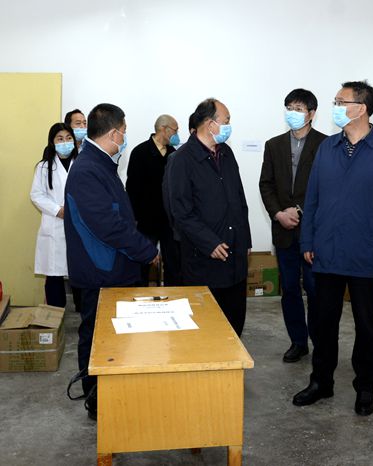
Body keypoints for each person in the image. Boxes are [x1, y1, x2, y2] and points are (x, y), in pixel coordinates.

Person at [292, 81, 373, 416]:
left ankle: (365, 386)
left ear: (361, 108)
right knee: (323, 323)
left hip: (365, 253)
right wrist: (307, 240)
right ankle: (321, 381)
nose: (335, 106)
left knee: (365, 325)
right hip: (326, 252)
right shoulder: (327, 148)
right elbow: (312, 199)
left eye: (340, 101)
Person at [64, 103, 159, 420]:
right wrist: (147, 250)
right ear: (115, 133)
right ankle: (97, 401)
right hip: (101, 272)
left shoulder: (101, 164)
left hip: (114, 269)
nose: (125, 138)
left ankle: (112, 394)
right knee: (97, 339)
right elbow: (108, 226)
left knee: (113, 340)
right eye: (125, 132)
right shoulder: (88, 170)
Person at [166, 98, 251, 336]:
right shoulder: (182, 159)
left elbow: (240, 199)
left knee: (234, 323)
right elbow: (181, 212)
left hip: (235, 256)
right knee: (208, 329)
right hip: (204, 259)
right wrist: (210, 242)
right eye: (226, 121)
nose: (229, 126)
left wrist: (245, 240)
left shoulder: (226, 153)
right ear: (210, 124)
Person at [259, 89, 327, 363]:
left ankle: (320, 341)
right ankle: (298, 341)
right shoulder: (273, 145)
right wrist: (278, 213)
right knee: (289, 288)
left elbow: (327, 188)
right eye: (289, 108)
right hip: (283, 230)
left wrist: (298, 210)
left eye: (298, 109)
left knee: (315, 289)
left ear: (311, 114)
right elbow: (266, 184)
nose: (293, 113)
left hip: (313, 232)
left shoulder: (326, 144)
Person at [126, 115, 181, 286]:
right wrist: (134, 218)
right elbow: (132, 188)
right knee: (143, 263)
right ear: (164, 129)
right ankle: (140, 296)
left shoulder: (174, 154)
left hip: (169, 222)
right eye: (175, 130)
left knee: (173, 264)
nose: (177, 134)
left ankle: (173, 296)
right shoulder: (140, 152)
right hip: (146, 222)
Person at [30, 123, 78, 308]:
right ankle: (55, 316)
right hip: (54, 225)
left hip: (77, 225)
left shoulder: (82, 164)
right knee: (54, 274)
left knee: (79, 271)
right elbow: (36, 195)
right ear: (52, 142)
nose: (65, 142)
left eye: (68, 138)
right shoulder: (43, 167)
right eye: (60, 138)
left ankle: (83, 311)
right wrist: (58, 210)